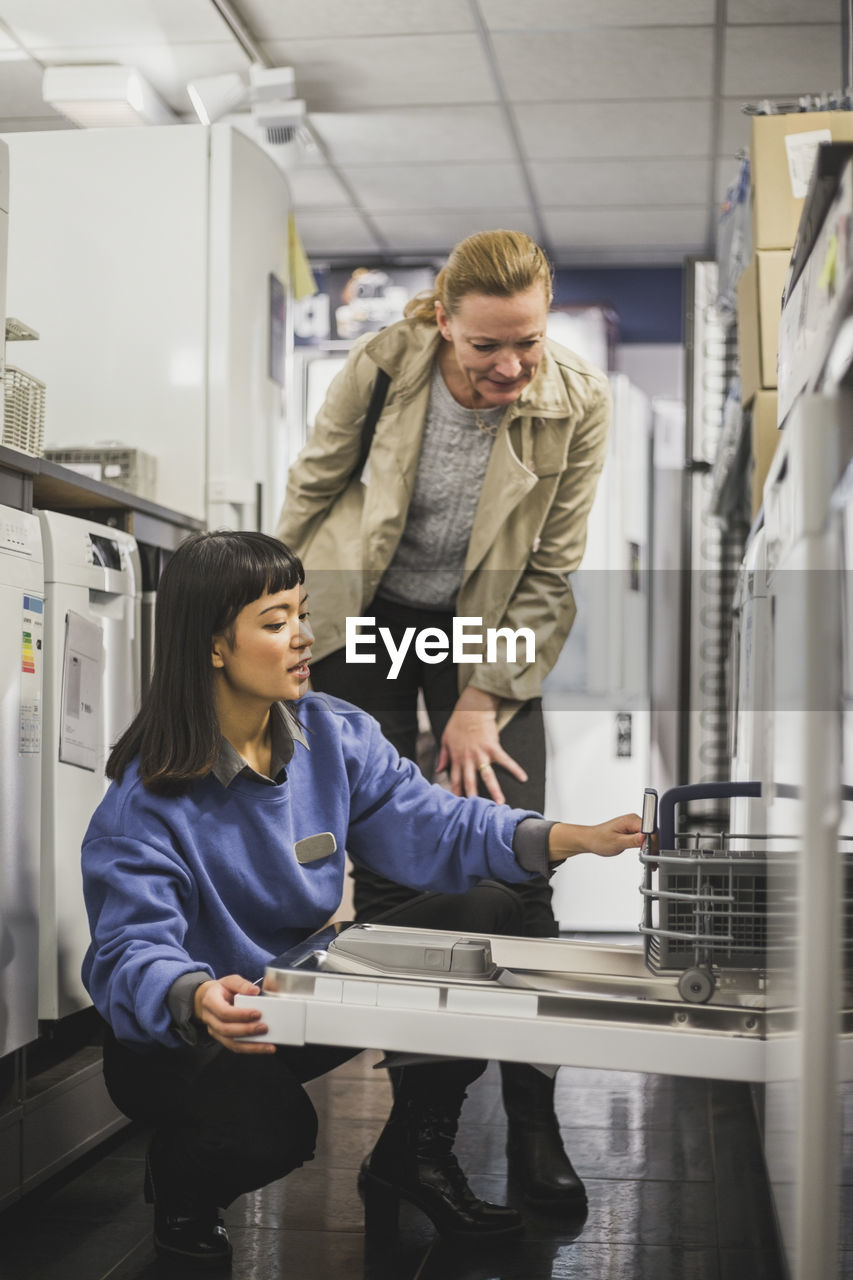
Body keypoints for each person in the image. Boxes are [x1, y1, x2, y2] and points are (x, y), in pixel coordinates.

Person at [81, 530, 643, 1269]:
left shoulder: (331, 733)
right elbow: (128, 950)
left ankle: (413, 1154)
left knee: (488, 912)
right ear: (214, 645)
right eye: (275, 621)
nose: (304, 636)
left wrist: (572, 836)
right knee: (274, 1135)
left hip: (287, 991)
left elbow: (436, 826)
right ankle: (185, 1186)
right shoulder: (147, 797)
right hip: (191, 1030)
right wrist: (192, 993)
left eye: (303, 613)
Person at [276, 228, 612, 1209]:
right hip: (367, 614)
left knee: (521, 852)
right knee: (393, 872)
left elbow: (549, 571)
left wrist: (478, 700)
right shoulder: (382, 365)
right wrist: (281, 622)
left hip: (493, 628)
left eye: (528, 343)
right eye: (485, 347)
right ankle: (416, 1136)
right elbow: (312, 494)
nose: (509, 366)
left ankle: (534, 1118)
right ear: (441, 322)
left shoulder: (577, 402)